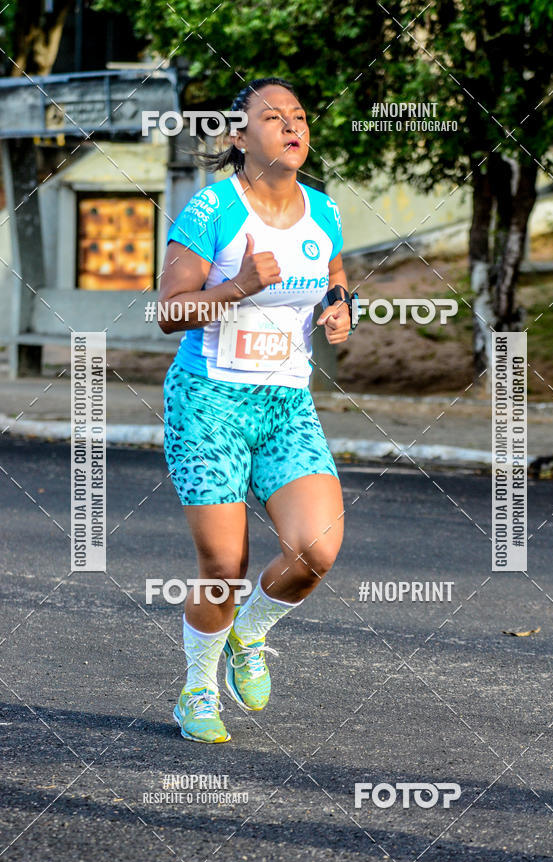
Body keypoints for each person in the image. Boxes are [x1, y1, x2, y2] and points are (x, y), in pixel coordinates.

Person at [158, 76, 352, 743]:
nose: (292, 125)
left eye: (299, 115)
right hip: (209, 401)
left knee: (317, 549)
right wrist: (238, 287)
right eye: (273, 117)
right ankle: (195, 693)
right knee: (225, 568)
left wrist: (339, 308)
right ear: (240, 137)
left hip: (286, 404)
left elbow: (335, 271)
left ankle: (251, 633)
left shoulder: (322, 210)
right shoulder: (213, 209)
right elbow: (168, 311)